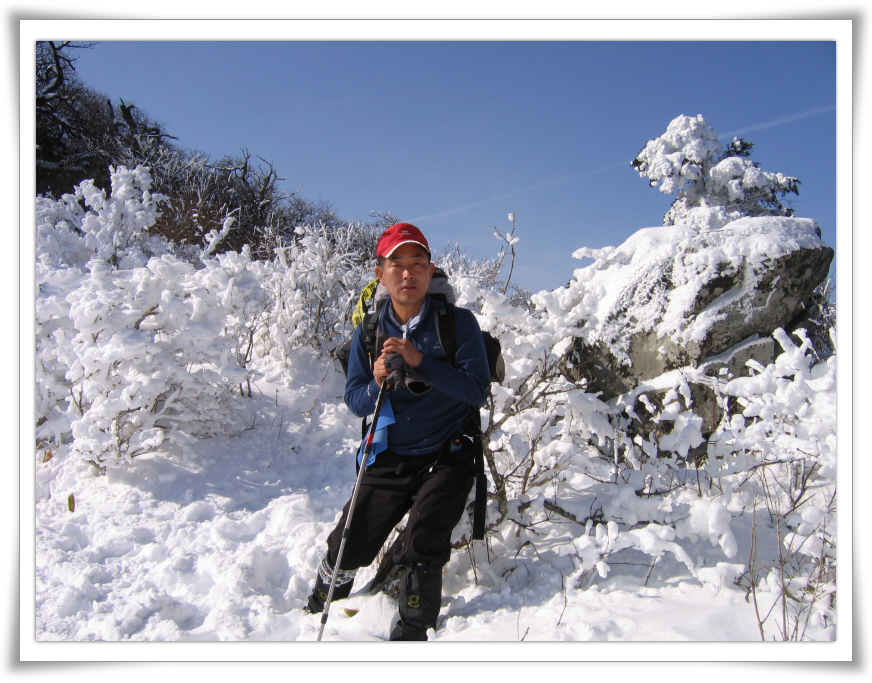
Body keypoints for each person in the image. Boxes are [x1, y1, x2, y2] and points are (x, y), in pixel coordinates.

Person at [306, 222, 490, 640]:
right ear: (380, 273)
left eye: (418, 263)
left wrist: (421, 361)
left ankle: (411, 631)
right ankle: (318, 609)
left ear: (430, 270)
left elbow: (476, 390)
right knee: (351, 540)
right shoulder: (369, 331)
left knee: (423, 538)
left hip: (449, 447)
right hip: (392, 448)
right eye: (397, 264)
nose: (408, 274)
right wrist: (375, 383)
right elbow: (355, 401)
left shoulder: (458, 324)